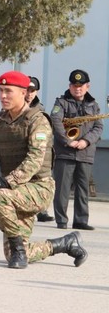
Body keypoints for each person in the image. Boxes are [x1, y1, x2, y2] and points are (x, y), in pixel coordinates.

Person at [0, 71, 88, 269]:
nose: (3, 96)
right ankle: (64, 244)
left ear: (23, 93)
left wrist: (8, 181)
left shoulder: (38, 121)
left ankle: (18, 250)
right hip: (16, 191)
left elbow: (34, 160)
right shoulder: (1, 122)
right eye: (1, 91)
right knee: (12, 254)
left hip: (38, 187)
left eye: (8, 91)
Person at [50, 69, 103, 231]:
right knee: (62, 189)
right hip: (65, 152)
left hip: (85, 153)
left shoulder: (94, 105)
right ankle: (61, 220)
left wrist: (86, 141)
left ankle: (80, 220)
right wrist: (68, 141)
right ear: (70, 86)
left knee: (83, 189)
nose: (77, 88)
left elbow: (98, 126)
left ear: (88, 86)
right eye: (74, 85)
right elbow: (56, 121)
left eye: (81, 85)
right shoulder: (61, 102)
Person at [27, 76, 54, 223]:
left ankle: (42, 211)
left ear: (36, 92)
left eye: (32, 90)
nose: (29, 93)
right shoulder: (15, 106)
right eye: (27, 90)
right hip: (21, 149)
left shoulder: (40, 109)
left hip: (38, 148)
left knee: (39, 179)